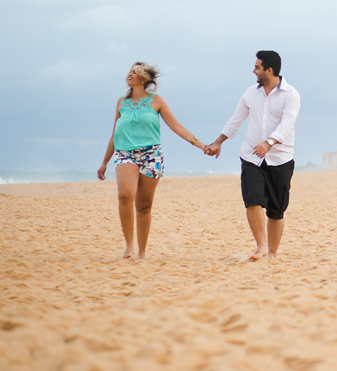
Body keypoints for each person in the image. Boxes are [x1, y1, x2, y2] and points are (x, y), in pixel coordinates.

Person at [98, 62, 208, 259]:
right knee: (125, 195)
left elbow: (177, 127)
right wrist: (105, 161)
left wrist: (200, 145)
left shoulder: (156, 101)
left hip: (151, 155)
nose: (129, 75)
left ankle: (142, 251)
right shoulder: (121, 102)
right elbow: (115, 133)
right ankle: (129, 245)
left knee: (144, 204)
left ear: (144, 78)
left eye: (135, 72)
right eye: (129, 72)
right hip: (125, 153)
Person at [205, 51, 301, 261]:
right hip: (251, 156)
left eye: (257, 67)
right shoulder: (250, 93)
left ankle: (272, 254)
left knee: (276, 210)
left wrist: (269, 143)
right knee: (252, 200)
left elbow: (287, 124)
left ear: (269, 70)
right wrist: (218, 142)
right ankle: (261, 247)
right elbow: (235, 120)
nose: (253, 70)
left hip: (281, 158)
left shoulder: (291, 94)